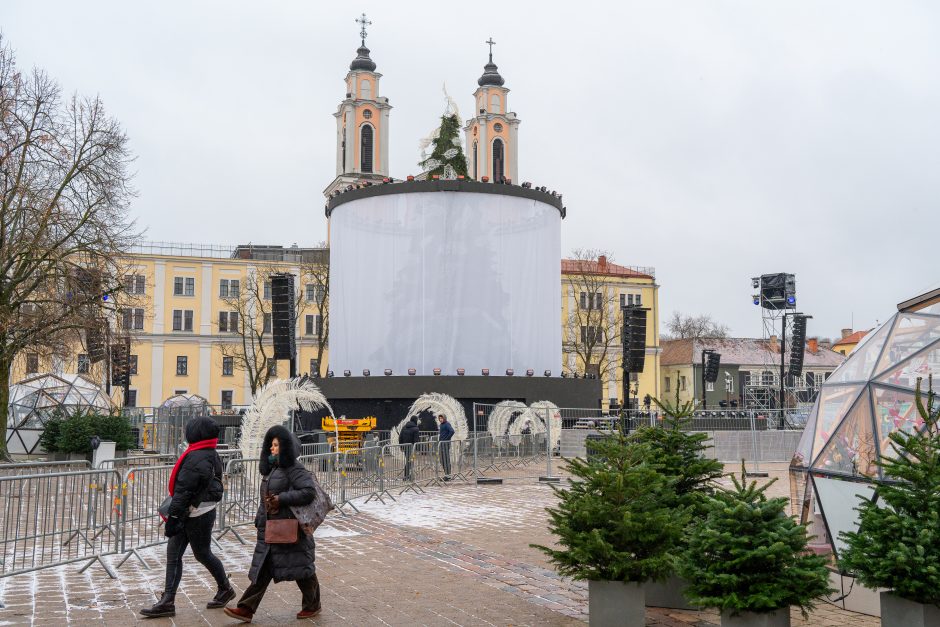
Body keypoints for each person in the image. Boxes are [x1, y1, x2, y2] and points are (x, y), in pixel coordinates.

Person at [224, 425, 321, 622]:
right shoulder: (273, 469)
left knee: (303, 569)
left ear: (286, 448)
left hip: (291, 530)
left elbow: (308, 492)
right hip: (272, 529)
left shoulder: (295, 469)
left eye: (276, 445)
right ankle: (246, 608)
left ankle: (313, 604)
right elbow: (267, 499)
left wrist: (282, 498)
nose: (271, 448)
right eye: (271, 445)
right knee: (265, 567)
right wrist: (260, 518)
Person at [141, 416, 233, 618]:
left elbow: (184, 491)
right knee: (176, 555)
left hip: (196, 513)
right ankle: (168, 600)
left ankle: (225, 588)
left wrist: (173, 516)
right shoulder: (207, 452)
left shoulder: (197, 456)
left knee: (201, 554)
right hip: (195, 511)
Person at [399, 416, 420, 481]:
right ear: (415, 420)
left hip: (405, 447)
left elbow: (400, 437)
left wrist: (401, 447)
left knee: (409, 461)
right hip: (412, 448)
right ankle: (407, 476)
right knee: (410, 461)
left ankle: (408, 475)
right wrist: (417, 449)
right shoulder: (416, 429)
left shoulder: (404, 427)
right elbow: (416, 440)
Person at [437, 414, 454, 480]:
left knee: (446, 459)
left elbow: (452, 431)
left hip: (445, 444)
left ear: (444, 418)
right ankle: (447, 474)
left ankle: (448, 475)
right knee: (442, 459)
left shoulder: (447, 424)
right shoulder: (441, 425)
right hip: (441, 444)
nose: (440, 419)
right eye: (439, 418)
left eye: (441, 418)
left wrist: (447, 439)